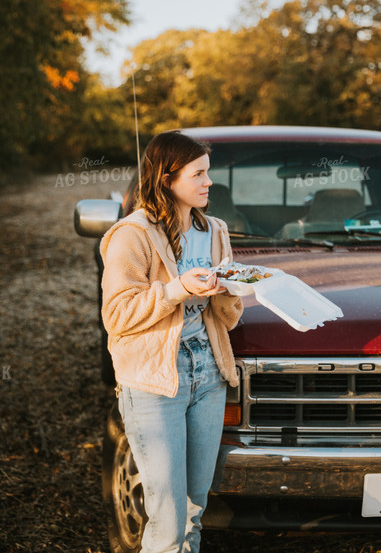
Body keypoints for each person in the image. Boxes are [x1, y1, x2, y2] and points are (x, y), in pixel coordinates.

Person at [100, 130, 243, 553]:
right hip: (155, 381)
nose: (208, 182)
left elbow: (228, 320)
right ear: (167, 179)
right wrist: (178, 289)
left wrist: (233, 289)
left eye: (208, 173)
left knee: (194, 510)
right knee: (167, 517)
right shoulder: (132, 234)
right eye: (198, 174)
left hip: (209, 374)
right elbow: (117, 316)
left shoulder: (214, 230)